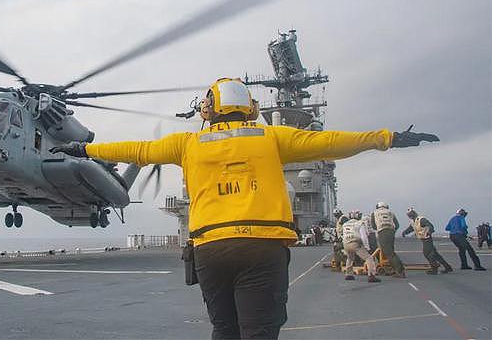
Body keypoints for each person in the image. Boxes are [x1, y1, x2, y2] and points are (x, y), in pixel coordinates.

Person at [51, 78, 438, 339]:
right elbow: (334, 141)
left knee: (225, 330)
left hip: (210, 251)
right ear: (250, 107)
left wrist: (82, 149)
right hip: (261, 249)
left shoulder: (187, 143)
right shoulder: (271, 136)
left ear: (208, 109)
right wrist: (389, 138)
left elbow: (135, 149)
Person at [402, 207, 452, 274]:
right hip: (423, 239)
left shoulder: (421, 219)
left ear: (413, 213)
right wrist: (405, 232)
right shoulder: (413, 221)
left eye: (410, 214)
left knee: (427, 253)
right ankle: (447, 267)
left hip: (427, 238)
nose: (409, 216)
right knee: (435, 255)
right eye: (408, 214)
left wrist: (429, 231)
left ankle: (434, 268)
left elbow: (430, 225)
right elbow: (411, 228)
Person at [342, 210, 381, 282]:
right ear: (357, 216)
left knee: (350, 258)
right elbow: (364, 237)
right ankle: (371, 275)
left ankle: (348, 274)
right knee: (369, 258)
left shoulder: (345, 224)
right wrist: (367, 247)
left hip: (346, 244)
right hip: (355, 243)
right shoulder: (360, 223)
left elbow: (343, 235)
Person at [370, 202, 406, 278]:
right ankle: (394, 269)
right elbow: (397, 225)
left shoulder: (374, 213)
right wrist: (392, 230)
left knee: (388, 252)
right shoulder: (391, 212)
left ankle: (400, 270)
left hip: (382, 232)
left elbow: (373, 226)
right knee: (391, 251)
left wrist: (380, 229)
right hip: (391, 232)